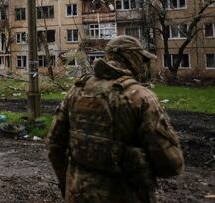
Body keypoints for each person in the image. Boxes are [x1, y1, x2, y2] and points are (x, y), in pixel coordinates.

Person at [47, 35, 184, 203]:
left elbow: (54, 144)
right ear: (131, 58)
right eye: (141, 60)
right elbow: (171, 164)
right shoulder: (141, 97)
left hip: (77, 194)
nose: (142, 65)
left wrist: (66, 184)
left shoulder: (76, 91)